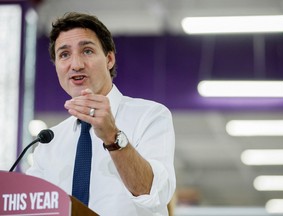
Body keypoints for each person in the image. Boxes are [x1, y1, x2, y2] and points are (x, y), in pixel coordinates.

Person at [26, 12, 176, 216]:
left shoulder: (150, 116)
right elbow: (32, 209)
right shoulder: (48, 142)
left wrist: (112, 137)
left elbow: (154, 195)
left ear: (109, 59)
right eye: (64, 54)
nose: (76, 64)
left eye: (87, 51)